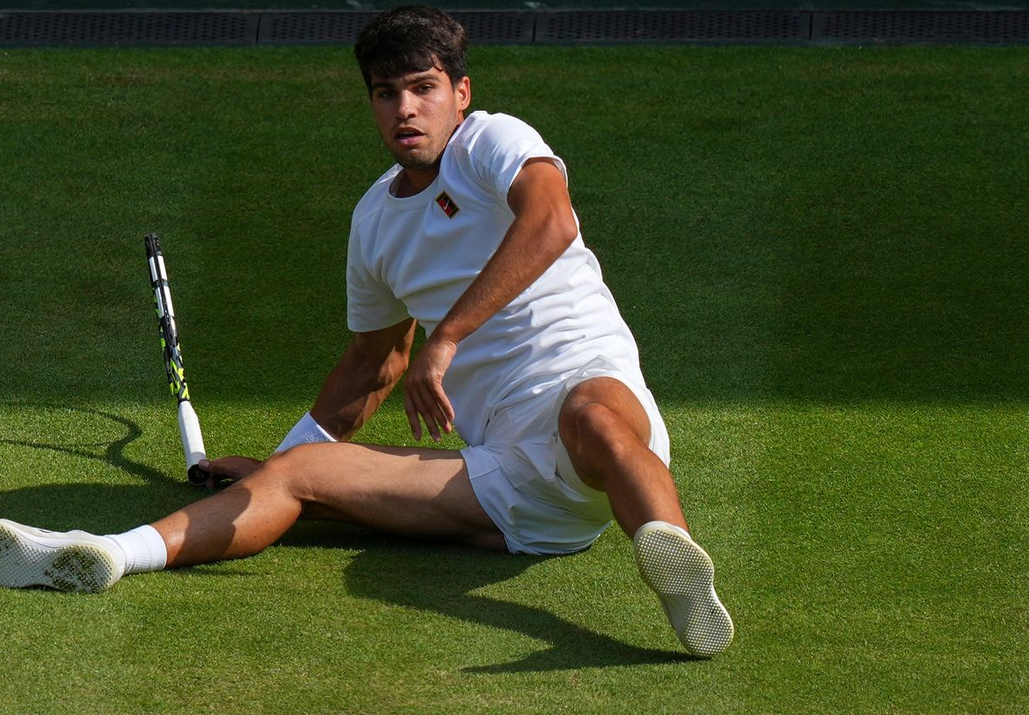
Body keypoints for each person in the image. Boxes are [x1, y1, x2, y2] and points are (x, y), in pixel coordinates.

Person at [0, 5, 733, 658]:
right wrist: (280, 461)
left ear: (462, 93)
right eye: (386, 93)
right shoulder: (375, 223)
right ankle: (109, 554)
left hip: (594, 402)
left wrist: (445, 339)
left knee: (591, 419)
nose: (405, 109)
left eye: (423, 88)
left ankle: (676, 570)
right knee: (300, 476)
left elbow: (552, 221)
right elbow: (374, 364)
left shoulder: (493, 142)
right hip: (513, 481)